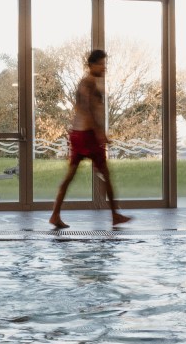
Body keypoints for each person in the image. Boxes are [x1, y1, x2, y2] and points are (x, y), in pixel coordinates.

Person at [49, 49, 130, 229]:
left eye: (104, 64)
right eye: (101, 64)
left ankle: (55, 215)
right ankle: (115, 215)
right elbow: (86, 108)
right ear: (91, 65)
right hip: (87, 136)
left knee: (70, 176)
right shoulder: (88, 82)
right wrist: (99, 132)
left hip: (79, 134)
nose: (104, 67)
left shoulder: (89, 82)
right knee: (106, 175)